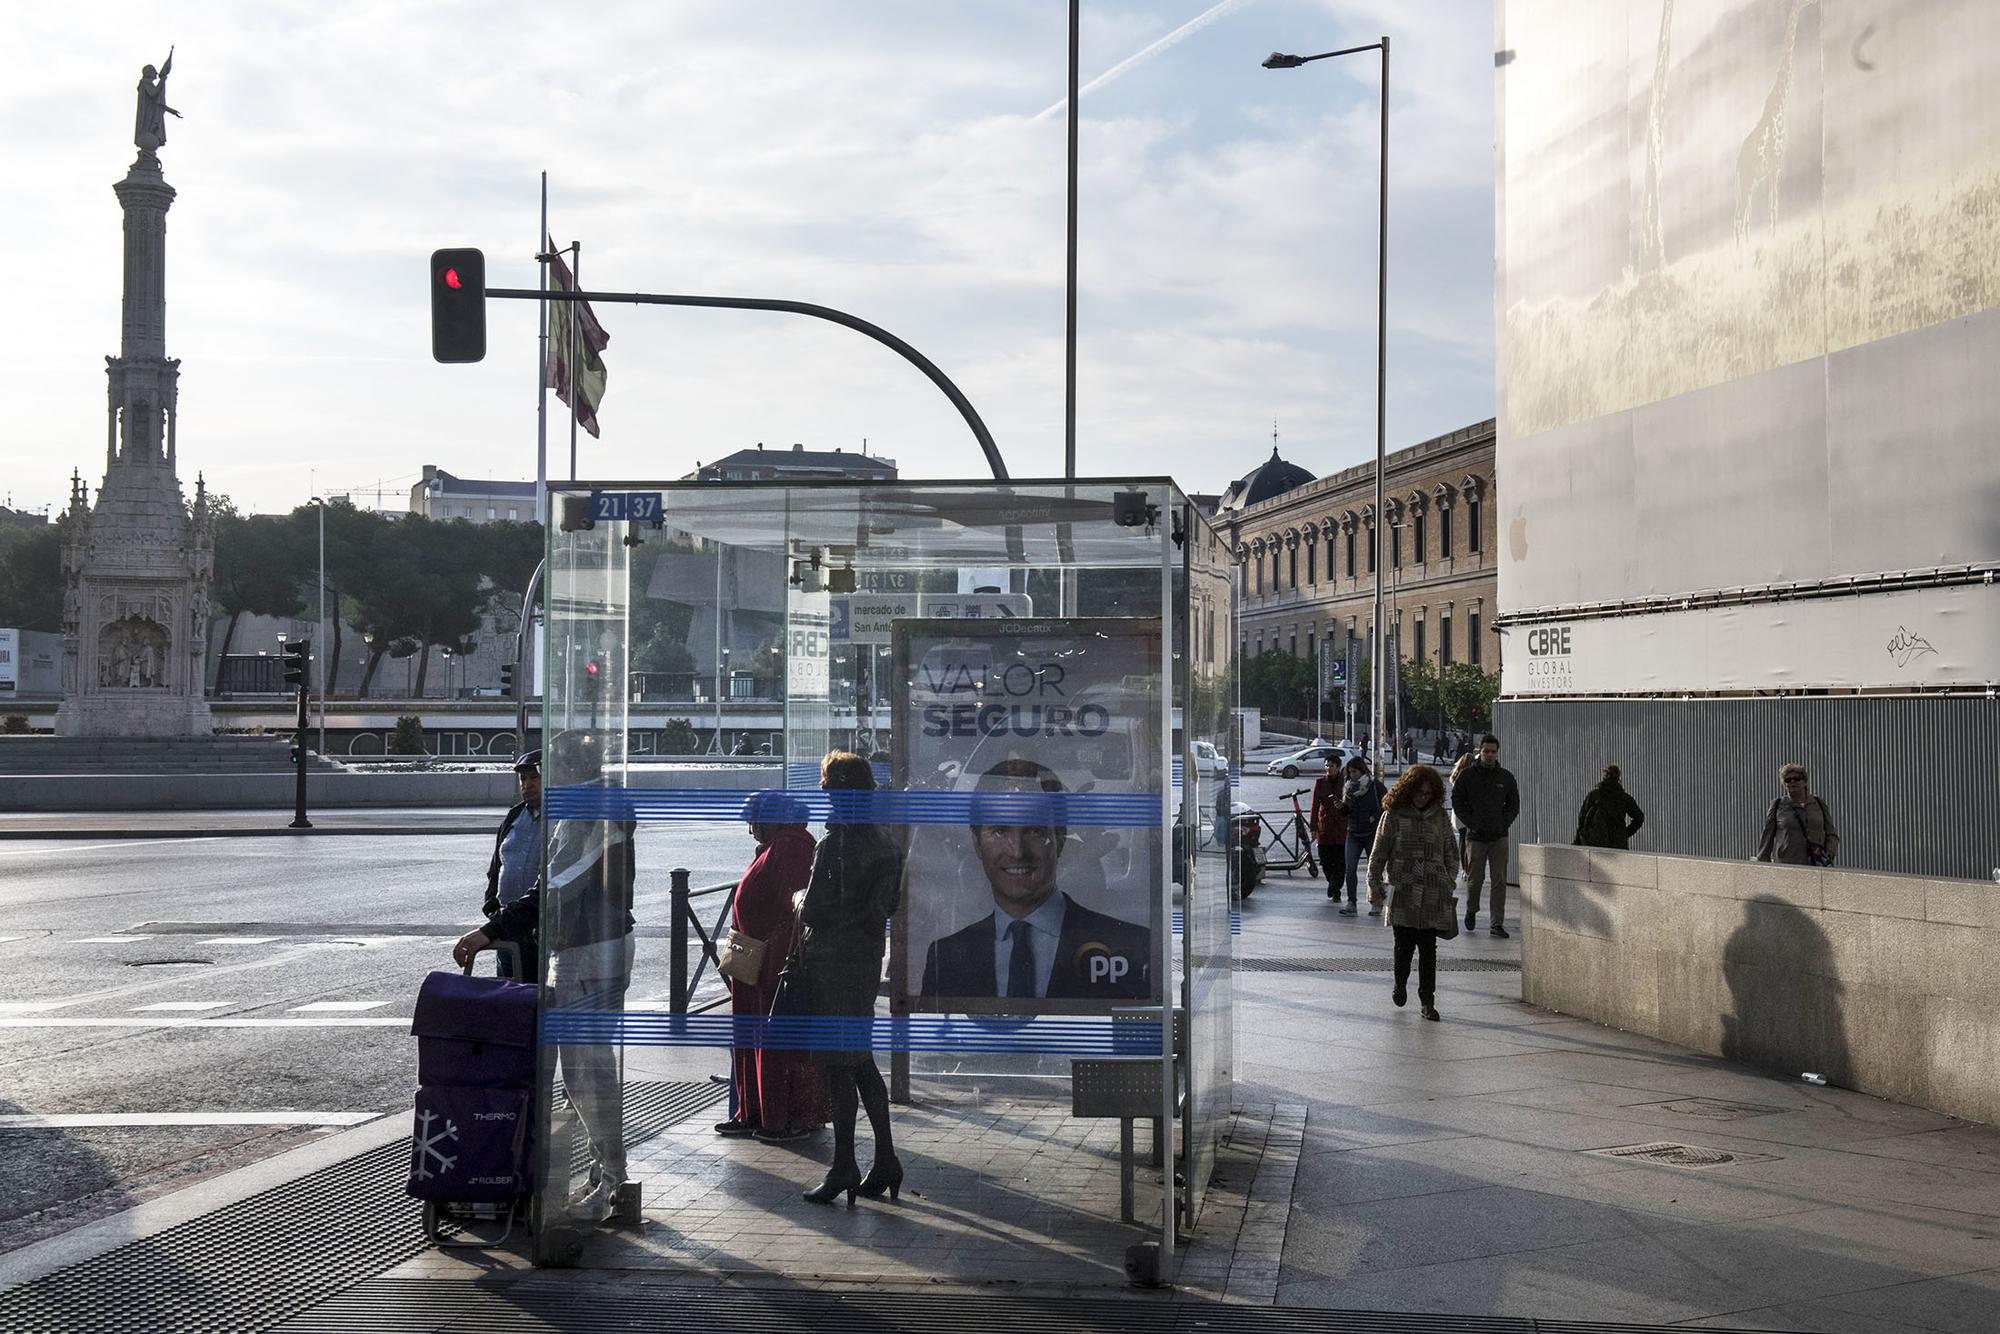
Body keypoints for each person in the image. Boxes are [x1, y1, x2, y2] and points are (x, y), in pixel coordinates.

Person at [454, 730, 635, 1223]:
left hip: (590, 953)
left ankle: (612, 1182)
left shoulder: (594, 810)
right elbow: (548, 880)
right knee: (584, 1075)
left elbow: (559, 884)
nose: (543, 778)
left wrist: (493, 929)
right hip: (578, 950)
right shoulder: (584, 806)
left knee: (587, 1075)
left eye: (552, 767)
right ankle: (604, 1176)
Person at [919, 758, 1151, 1001]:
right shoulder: (945, 956)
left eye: (1034, 831)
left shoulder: (1130, 946)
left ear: (1060, 840)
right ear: (977, 843)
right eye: (999, 831)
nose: (1017, 852)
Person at [799, 752, 906, 1206]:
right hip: (863, 961)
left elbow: (816, 909)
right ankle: (883, 1160)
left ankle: (845, 1165)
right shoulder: (885, 840)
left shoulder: (837, 842)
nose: (824, 796)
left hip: (832, 964)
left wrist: (799, 899)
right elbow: (888, 907)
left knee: (840, 1068)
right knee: (858, 1060)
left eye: (827, 787)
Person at [715, 792, 823, 1143]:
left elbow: (796, 909)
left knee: (773, 1043)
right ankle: (756, 1111)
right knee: (752, 1040)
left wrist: (775, 951)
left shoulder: (790, 848)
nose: (752, 830)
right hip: (756, 959)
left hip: (771, 963)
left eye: (756, 822)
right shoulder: (779, 846)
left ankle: (783, 1117)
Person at [1367, 764, 1459, 1021]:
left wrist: (1447, 880)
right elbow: (1378, 853)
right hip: (1403, 890)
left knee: (1429, 950)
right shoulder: (1394, 815)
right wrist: (1374, 884)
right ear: (1409, 790)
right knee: (1403, 947)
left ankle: (1427, 1001)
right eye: (1419, 792)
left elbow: (1452, 852)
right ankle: (1399, 984)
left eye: (1428, 793)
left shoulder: (1439, 816)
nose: (1423, 797)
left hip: (1432, 891)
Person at [479, 750, 543, 982]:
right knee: (510, 996)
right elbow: (497, 865)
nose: (527, 785)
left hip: (541, 928)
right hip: (508, 925)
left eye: (534, 778)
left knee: (540, 999)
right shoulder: (514, 816)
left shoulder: (562, 817)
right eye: (523, 779)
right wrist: (491, 904)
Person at [1450, 734, 1520, 938]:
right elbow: (1457, 800)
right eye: (1486, 751)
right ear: (1479, 752)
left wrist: (1503, 822)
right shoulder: (1468, 776)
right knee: (1475, 879)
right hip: (1476, 837)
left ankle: (1496, 922)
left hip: (1499, 836)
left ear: (1497, 753)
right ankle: (1471, 910)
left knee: (1499, 881)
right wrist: (1471, 822)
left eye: (1493, 752)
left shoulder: (1506, 777)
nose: (1489, 755)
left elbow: (1514, 804)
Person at [1754, 763, 1840, 866]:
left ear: (1804, 782)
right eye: (1788, 780)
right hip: (1787, 865)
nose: (1792, 782)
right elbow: (1767, 837)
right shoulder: (1778, 805)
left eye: (1796, 778)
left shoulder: (1818, 803)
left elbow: (1831, 833)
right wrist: (1762, 865)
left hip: (1816, 864)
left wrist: (1829, 852)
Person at [1337, 758, 1386, 916]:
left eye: (1354, 772)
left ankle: (1376, 902)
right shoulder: (1348, 788)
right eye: (1349, 772)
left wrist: (1373, 817)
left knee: (1374, 870)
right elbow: (1347, 811)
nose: (1352, 776)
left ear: (1362, 770)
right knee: (1350, 869)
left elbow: (1387, 804)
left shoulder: (1374, 786)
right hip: (1353, 832)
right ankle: (1352, 903)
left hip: (1371, 833)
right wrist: (1341, 808)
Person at [1574, 764, 1646, 849]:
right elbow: (1639, 817)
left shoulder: (1594, 795)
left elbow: (1582, 819)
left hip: (1595, 844)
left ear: (1605, 777)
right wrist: (1625, 834)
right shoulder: (1624, 798)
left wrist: (1579, 840)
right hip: (1617, 845)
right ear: (1618, 778)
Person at [1308, 757, 1349, 903]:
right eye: (1326, 766)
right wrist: (1313, 827)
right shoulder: (1320, 783)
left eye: (1331, 766)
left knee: (1340, 862)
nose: (1328, 768)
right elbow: (1314, 806)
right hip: (1324, 827)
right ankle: (1331, 882)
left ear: (1338, 767)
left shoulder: (1345, 783)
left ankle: (1335, 888)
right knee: (1325, 860)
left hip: (1341, 828)